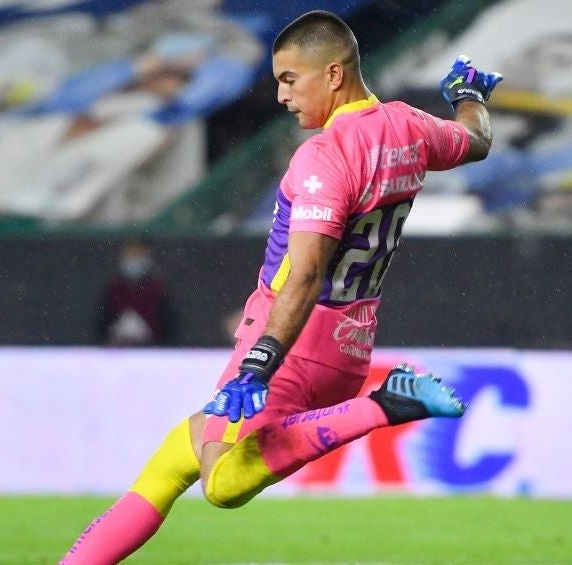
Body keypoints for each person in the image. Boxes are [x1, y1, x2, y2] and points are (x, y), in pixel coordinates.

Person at [60, 10, 501, 564]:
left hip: (293, 342)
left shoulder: (324, 157)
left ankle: (386, 404)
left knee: (220, 484)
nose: (281, 96)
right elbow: (475, 140)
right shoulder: (409, 126)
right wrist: (469, 94)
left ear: (334, 74)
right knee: (176, 457)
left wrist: (259, 363)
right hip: (348, 347)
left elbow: (308, 273)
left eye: (290, 79)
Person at [96, 238, 178, 346]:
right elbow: (100, 327)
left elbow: (171, 329)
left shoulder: (158, 289)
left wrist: (149, 335)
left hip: (153, 353)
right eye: (131, 255)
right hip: (116, 353)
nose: (134, 259)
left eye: (138, 255)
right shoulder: (114, 289)